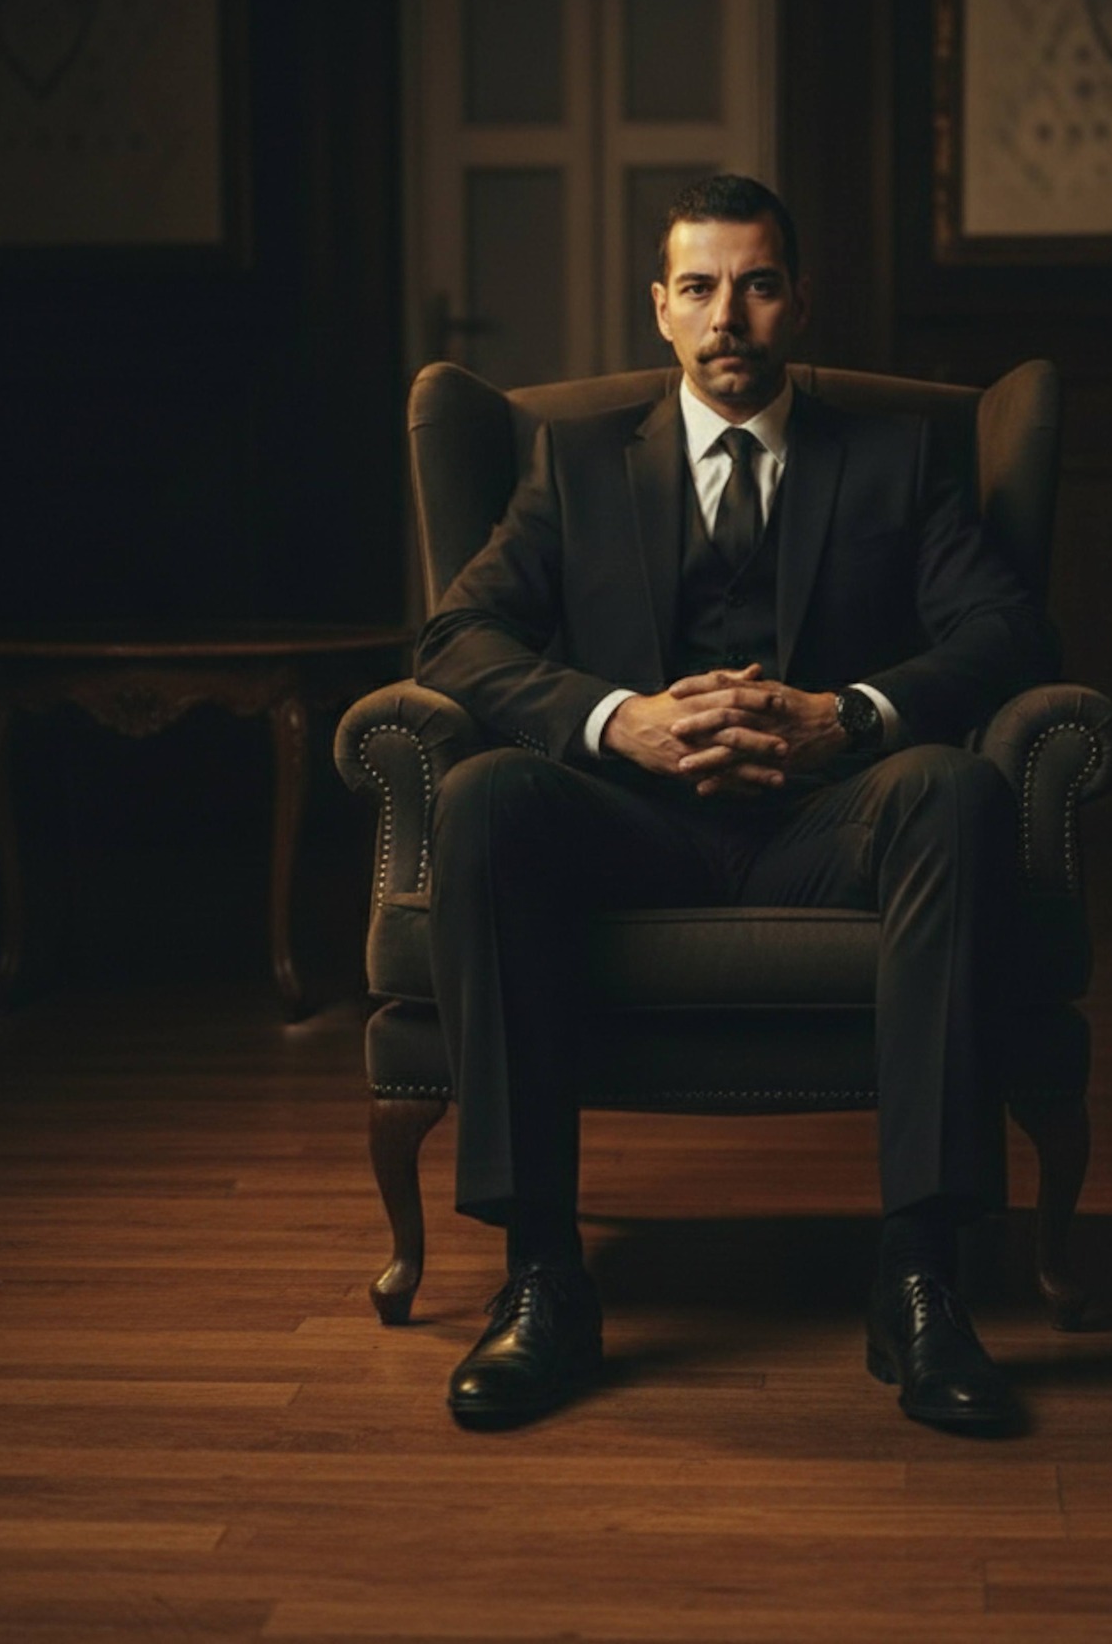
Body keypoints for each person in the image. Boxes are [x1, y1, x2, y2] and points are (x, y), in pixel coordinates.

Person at [416, 174, 1060, 1431]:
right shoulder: (575, 462)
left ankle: (919, 1277)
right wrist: (621, 719)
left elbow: (1008, 628)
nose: (728, 317)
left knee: (955, 788)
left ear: (797, 303)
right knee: (487, 799)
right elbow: (456, 634)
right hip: (632, 824)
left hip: (830, 823)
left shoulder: (896, 458)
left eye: (756, 285)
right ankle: (542, 1274)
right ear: (659, 306)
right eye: (700, 288)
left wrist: (848, 715)